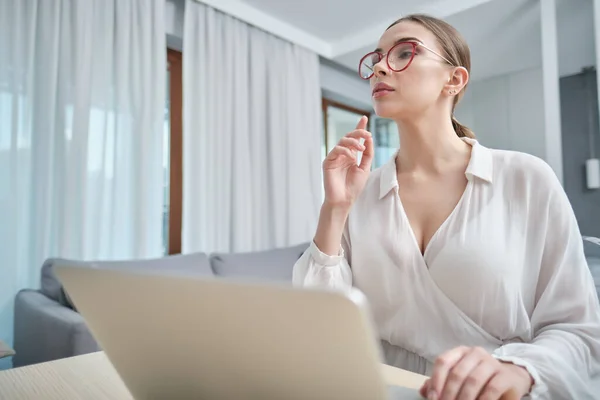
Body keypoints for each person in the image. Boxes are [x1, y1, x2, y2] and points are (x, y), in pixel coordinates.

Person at [292, 13, 600, 400]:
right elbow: (318, 324)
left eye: (405, 52)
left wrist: (519, 369)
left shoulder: (526, 178)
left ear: (453, 80)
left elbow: (579, 331)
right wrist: (335, 208)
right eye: (377, 59)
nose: (380, 68)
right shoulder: (361, 194)